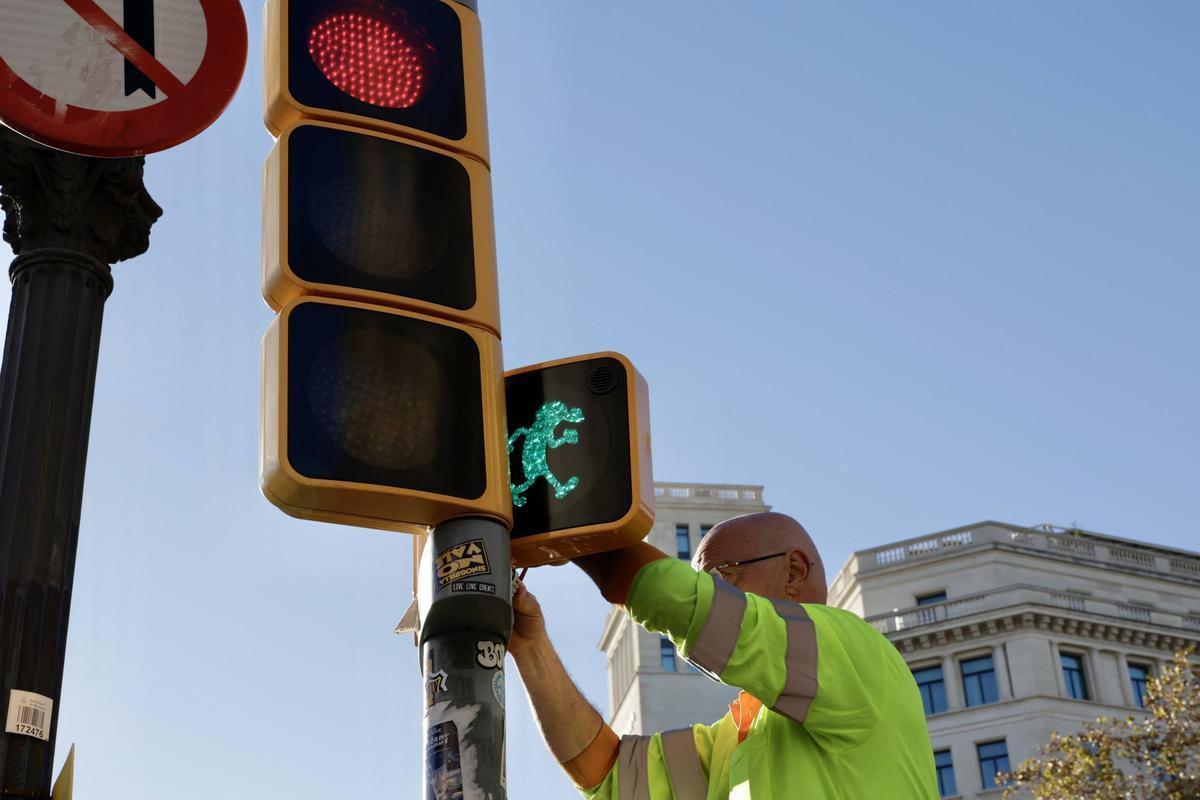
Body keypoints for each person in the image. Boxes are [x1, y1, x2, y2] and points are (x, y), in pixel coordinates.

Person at [509, 512, 938, 799]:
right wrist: (530, 646)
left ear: (794, 571)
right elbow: (609, 773)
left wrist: (573, 525)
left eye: (720, 576)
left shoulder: (858, 654)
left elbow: (685, 603)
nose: (709, 590)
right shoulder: (734, 739)